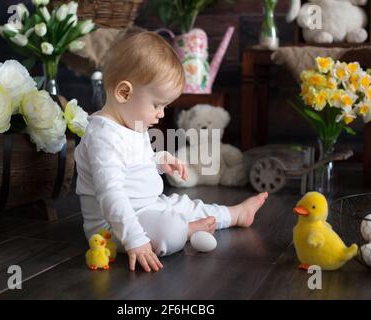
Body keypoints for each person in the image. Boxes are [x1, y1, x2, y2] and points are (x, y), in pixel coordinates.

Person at [74, 31, 268, 273]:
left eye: (165, 106)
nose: (161, 114)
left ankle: (235, 214)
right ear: (124, 93)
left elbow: (134, 164)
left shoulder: (131, 122)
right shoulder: (103, 136)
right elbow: (111, 195)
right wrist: (135, 240)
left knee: (186, 205)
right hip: (113, 226)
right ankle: (186, 231)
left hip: (150, 205)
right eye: (157, 105)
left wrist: (158, 161)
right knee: (171, 229)